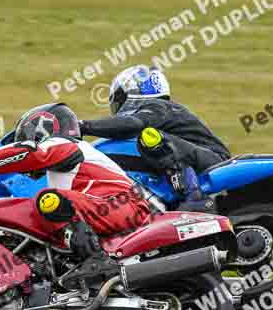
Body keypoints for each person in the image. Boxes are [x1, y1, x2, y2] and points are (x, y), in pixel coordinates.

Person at [0, 103, 151, 285]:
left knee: (49, 200)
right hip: (114, 208)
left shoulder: (64, 145)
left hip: (121, 205)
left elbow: (29, 153)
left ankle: (97, 261)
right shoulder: (69, 162)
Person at [80, 66, 232, 211]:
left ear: (131, 92)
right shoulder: (164, 112)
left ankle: (195, 198)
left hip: (215, 162)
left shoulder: (158, 106)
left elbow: (133, 124)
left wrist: (82, 126)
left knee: (150, 138)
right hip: (202, 159)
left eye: (118, 98)